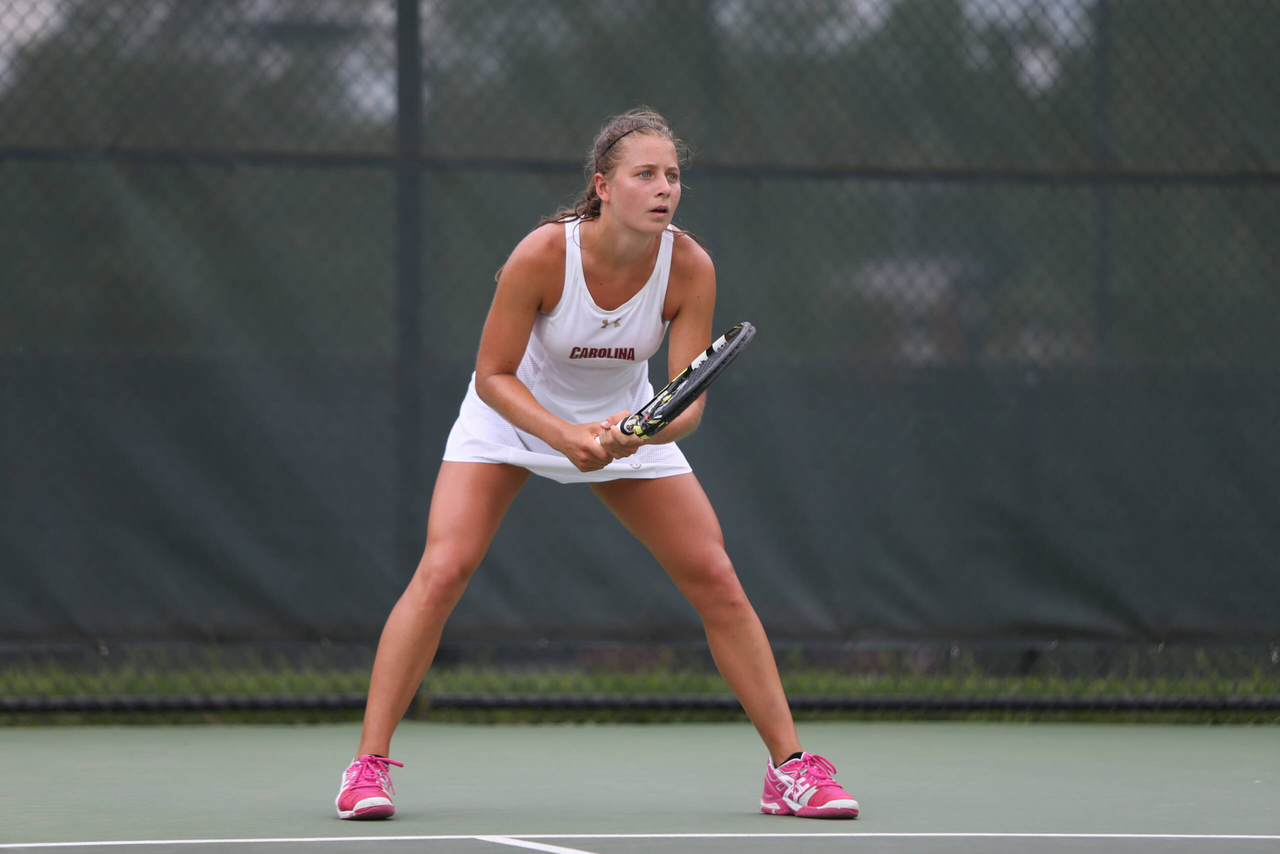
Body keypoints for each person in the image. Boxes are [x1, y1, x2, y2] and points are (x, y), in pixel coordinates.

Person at [335, 108, 858, 821]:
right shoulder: (543, 254)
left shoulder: (690, 266)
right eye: (645, 174)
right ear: (603, 187)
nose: (664, 187)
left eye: (672, 175)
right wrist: (563, 435)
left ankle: (791, 771)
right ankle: (366, 767)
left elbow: (688, 398)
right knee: (444, 569)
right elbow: (492, 375)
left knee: (716, 576)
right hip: (512, 418)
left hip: (622, 424)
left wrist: (640, 434)